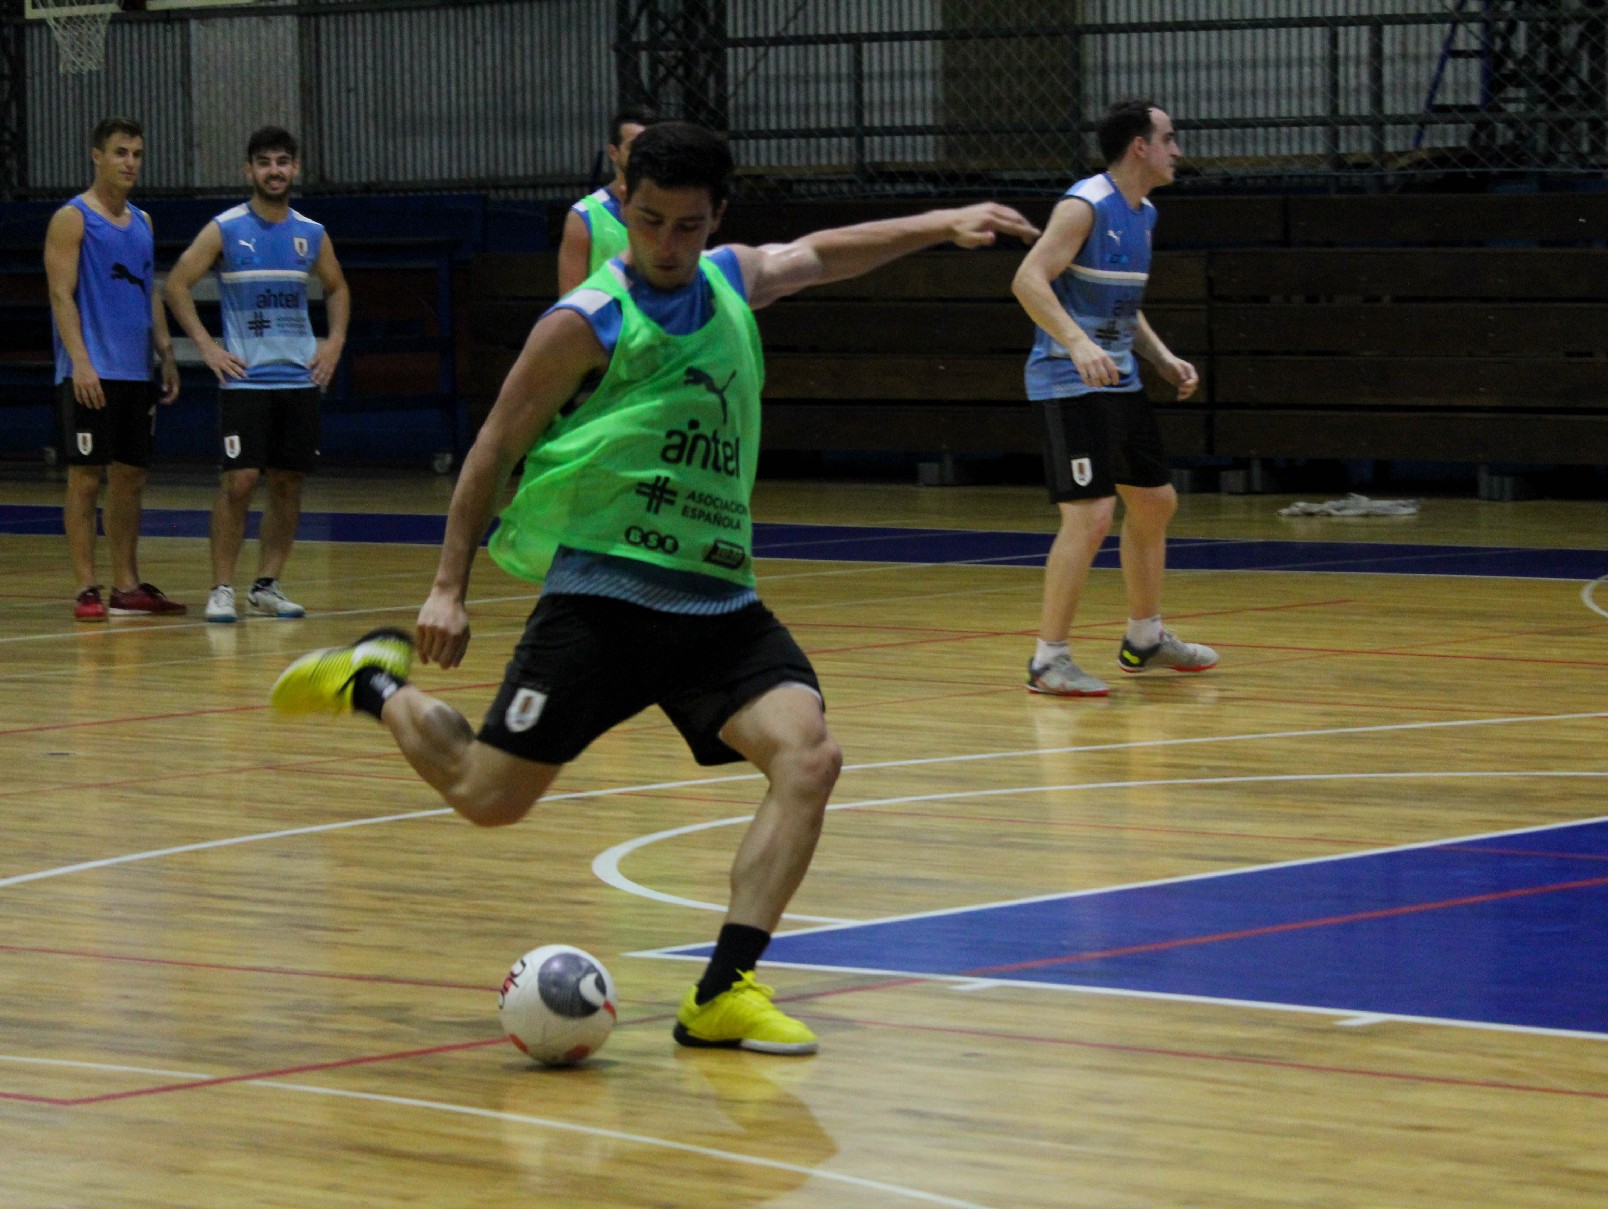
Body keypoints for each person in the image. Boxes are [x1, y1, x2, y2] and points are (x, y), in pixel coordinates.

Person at [269, 123, 1038, 1054]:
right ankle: (371, 681)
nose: (667, 243)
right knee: (487, 796)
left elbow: (821, 253)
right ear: (624, 204)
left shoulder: (729, 280)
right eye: (649, 220)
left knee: (809, 758)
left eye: (687, 225)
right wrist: (446, 585)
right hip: (603, 599)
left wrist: (942, 220)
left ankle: (722, 991)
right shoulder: (586, 319)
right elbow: (496, 444)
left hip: (717, 601)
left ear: (717, 218)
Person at [1012, 99, 1217, 697]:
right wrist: (1076, 343)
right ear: (1139, 147)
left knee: (1154, 502)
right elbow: (1027, 279)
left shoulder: (1143, 213)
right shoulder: (1084, 205)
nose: (1177, 150)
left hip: (1118, 379)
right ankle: (1049, 659)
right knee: (1091, 513)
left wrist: (1160, 357)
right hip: (1066, 380)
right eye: (1169, 138)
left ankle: (1145, 638)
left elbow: (1123, 303)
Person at [164, 126, 350, 624]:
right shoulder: (225, 228)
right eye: (265, 162)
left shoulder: (311, 233)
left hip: (299, 379)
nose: (274, 171)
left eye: (282, 162)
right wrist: (207, 347)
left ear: (295, 169)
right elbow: (177, 284)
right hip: (245, 379)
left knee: (288, 483)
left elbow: (337, 288)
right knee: (241, 481)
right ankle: (222, 588)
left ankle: (266, 585)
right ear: (249, 170)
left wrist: (334, 342)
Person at [44, 116, 185, 622]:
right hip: (90, 371)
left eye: (137, 154)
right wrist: (81, 362)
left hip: (134, 372)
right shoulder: (73, 218)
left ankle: (126, 585)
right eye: (121, 153)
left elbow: (148, 290)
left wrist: (165, 352)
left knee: (131, 477)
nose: (130, 163)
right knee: (85, 478)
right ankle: (87, 587)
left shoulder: (143, 222)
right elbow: (61, 294)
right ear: (97, 156)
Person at [556, 104, 661, 295]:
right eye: (634, 146)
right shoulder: (584, 217)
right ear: (613, 153)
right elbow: (570, 301)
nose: (644, 154)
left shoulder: (673, 211)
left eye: (650, 147)